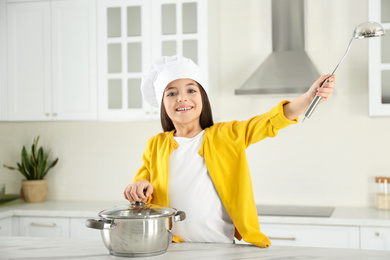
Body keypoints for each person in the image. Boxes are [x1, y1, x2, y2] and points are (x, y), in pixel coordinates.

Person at [123, 55, 336, 248]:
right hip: (171, 246)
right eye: (171, 93)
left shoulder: (225, 135)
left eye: (191, 90)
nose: (182, 98)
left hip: (219, 246)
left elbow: (269, 121)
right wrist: (138, 187)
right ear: (163, 105)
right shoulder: (156, 144)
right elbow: (142, 187)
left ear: (203, 98)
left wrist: (308, 98)